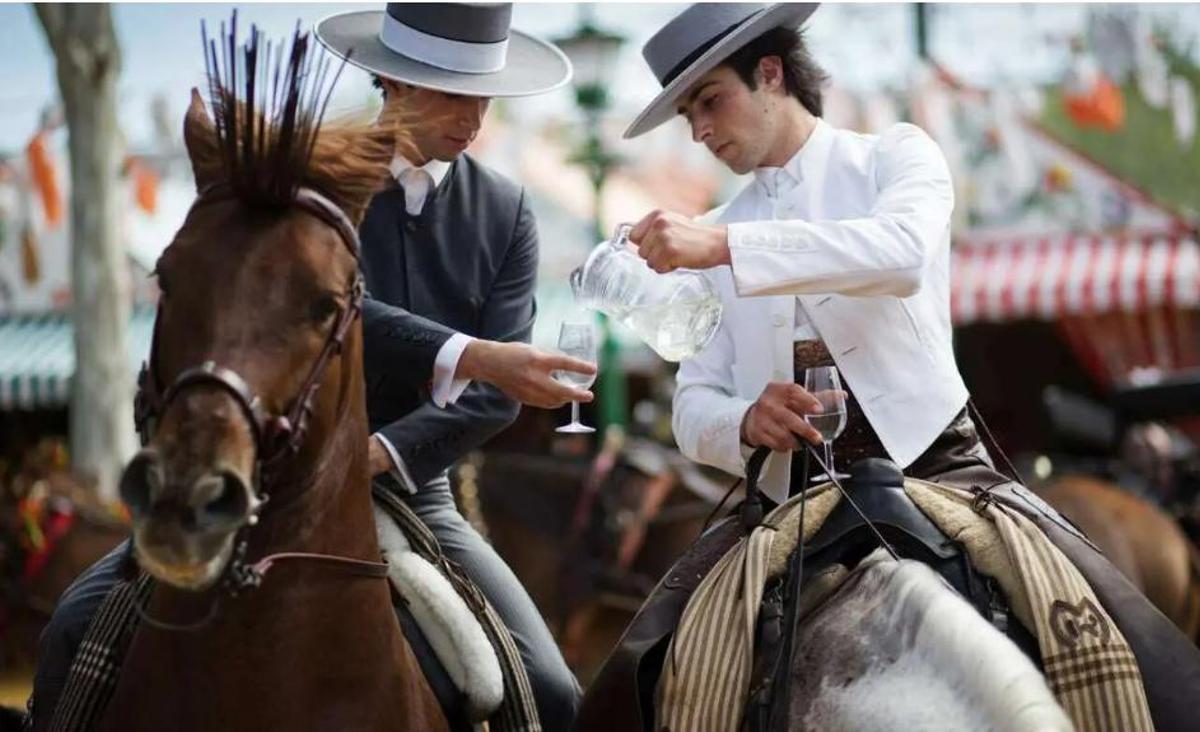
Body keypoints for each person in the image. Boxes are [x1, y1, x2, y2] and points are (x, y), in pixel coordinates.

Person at [576, 4, 1200, 729]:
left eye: (710, 101)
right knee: (628, 681)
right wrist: (743, 418)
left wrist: (725, 249)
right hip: (786, 501)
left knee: (1149, 655)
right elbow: (692, 403)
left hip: (940, 466)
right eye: (689, 116)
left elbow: (899, 256)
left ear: (771, 74)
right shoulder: (715, 228)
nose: (701, 131)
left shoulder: (895, 156)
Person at [30, 4, 588, 730]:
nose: (475, 117)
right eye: (454, 92)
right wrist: (471, 355)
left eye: (486, 94)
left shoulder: (507, 211)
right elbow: (304, 306)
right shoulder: (301, 184)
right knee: (72, 625)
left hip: (418, 490)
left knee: (553, 690)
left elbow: (495, 399)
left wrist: (383, 454)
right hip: (266, 472)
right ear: (393, 80)